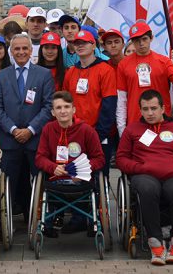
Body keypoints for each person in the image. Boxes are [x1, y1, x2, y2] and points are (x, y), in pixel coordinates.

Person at [116, 89, 173, 265]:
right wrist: (139, 168)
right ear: (140, 110)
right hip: (144, 175)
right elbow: (121, 159)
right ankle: (155, 242)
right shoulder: (132, 130)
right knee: (147, 189)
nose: (150, 113)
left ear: (163, 108)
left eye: (154, 108)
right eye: (145, 109)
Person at [0, 34, 54, 215]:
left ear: (31, 50)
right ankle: (7, 218)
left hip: (36, 140)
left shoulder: (44, 74)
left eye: (25, 48)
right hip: (9, 140)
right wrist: (13, 130)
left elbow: (48, 106)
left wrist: (30, 129)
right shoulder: (2, 76)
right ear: (11, 52)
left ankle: (40, 218)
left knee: (40, 184)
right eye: (17, 49)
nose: (21, 52)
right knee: (8, 186)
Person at [35, 91, 104, 236]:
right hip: (56, 179)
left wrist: (83, 171)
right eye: (58, 108)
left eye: (66, 107)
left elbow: (99, 159)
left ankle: (84, 221)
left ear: (73, 110)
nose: (63, 111)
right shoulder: (48, 129)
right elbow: (40, 158)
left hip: (81, 181)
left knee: (93, 185)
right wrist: (53, 167)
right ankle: (48, 223)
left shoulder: (87, 130)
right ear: (53, 112)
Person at [116, 22, 173, 137]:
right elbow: (121, 99)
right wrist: (121, 128)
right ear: (132, 42)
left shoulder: (164, 61)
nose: (141, 43)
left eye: (144, 39)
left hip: (161, 120)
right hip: (135, 121)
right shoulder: (123, 65)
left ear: (151, 38)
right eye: (136, 40)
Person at [62, 30, 117, 174]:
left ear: (93, 46)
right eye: (77, 43)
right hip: (74, 133)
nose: (80, 46)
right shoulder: (70, 72)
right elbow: (65, 104)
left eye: (84, 43)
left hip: (98, 134)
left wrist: (99, 134)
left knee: (98, 175)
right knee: (74, 174)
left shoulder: (106, 70)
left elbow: (109, 105)